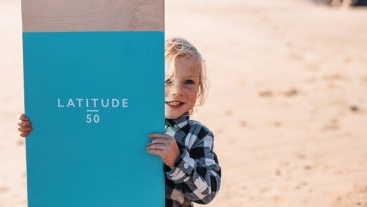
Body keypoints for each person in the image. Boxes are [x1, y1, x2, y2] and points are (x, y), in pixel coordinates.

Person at [17, 37, 222, 206]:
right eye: (167, 80)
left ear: (200, 88)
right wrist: (41, 127)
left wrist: (177, 160)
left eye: (188, 82)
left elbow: (208, 193)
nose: (177, 90)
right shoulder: (125, 121)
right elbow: (80, 134)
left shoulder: (197, 135)